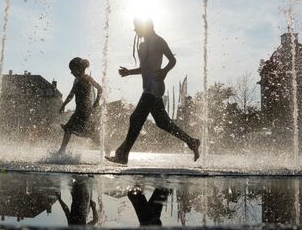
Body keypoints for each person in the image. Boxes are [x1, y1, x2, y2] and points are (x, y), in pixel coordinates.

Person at [106, 18, 200, 164]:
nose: (135, 30)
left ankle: (123, 154)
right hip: (148, 87)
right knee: (163, 122)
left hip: (155, 86)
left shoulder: (159, 41)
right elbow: (145, 68)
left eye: (137, 27)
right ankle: (192, 142)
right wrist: (129, 72)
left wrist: (165, 71)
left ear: (146, 27)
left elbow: (172, 60)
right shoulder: (142, 46)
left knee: (135, 118)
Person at [57, 57, 102, 154]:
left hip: (85, 110)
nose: (71, 72)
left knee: (72, 129)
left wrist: (96, 102)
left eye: (72, 70)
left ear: (79, 68)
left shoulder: (87, 78)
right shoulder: (77, 79)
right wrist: (63, 105)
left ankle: (62, 150)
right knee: (87, 132)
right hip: (80, 110)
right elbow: (71, 94)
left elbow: (100, 88)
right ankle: (106, 148)